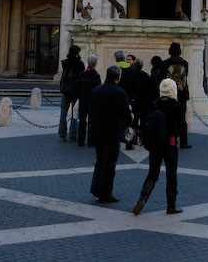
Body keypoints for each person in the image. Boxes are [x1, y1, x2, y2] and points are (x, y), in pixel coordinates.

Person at [132, 78, 185, 215]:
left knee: (152, 174)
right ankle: (171, 205)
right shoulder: (176, 107)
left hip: (155, 145)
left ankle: (142, 198)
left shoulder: (154, 104)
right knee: (171, 175)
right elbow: (182, 128)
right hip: (170, 145)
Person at [88, 65, 132, 204]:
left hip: (97, 131)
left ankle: (96, 188)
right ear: (118, 77)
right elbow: (126, 113)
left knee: (100, 160)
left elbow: (91, 110)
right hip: (112, 132)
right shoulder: (119, 92)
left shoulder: (96, 90)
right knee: (109, 164)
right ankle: (105, 194)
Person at [161, 42, 191, 148]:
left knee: (167, 117)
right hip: (182, 94)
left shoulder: (165, 63)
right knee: (182, 119)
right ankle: (183, 141)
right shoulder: (185, 63)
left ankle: (168, 139)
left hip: (168, 93)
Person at [58, 45, 84, 141]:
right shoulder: (79, 64)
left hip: (65, 90)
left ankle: (62, 134)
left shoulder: (64, 63)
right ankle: (72, 135)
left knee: (63, 113)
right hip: (75, 91)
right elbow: (82, 76)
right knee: (74, 114)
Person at [76, 54, 101, 146]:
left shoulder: (82, 74)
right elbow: (98, 89)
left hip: (83, 100)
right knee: (92, 121)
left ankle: (80, 141)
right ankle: (91, 141)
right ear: (95, 63)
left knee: (82, 121)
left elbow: (77, 87)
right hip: (92, 101)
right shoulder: (96, 75)